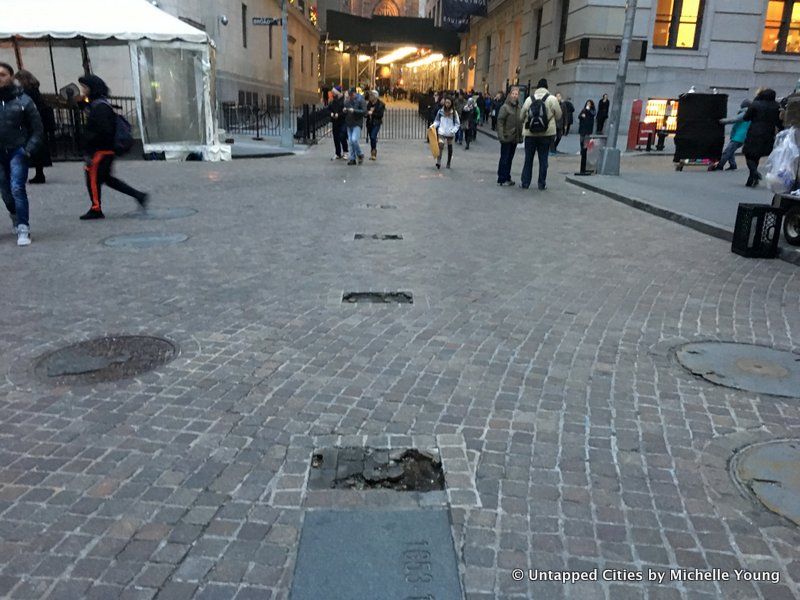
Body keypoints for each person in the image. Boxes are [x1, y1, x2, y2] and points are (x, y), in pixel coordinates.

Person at [78, 74, 148, 220]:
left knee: (93, 178)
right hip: (104, 149)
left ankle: (96, 208)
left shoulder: (100, 107)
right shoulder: (100, 105)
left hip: (100, 150)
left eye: (85, 88)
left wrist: (90, 143)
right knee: (106, 179)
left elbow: (103, 130)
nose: (83, 91)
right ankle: (138, 195)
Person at [0, 62, 43, 246]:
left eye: (2, 74)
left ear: (11, 76)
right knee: (5, 192)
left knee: (17, 187)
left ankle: (23, 227)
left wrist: (28, 149)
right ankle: (15, 217)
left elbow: (37, 128)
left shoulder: (24, 100)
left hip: (18, 149)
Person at [14, 70, 55, 184]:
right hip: (38, 122)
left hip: (32, 123)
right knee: (36, 149)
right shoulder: (33, 89)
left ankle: (32, 174)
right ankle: (38, 173)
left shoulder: (28, 92)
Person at [520, 78, 562, 190]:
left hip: (530, 134)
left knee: (528, 159)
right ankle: (541, 184)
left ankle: (525, 183)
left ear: (537, 88)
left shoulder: (529, 99)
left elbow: (521, 115)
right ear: (546, 87)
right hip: (546, 134)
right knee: (543, 160)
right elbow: (558, 115)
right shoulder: (552, 99)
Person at [742, 88, 781, 187]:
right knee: (757, 155)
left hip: (755, 131)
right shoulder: (776, 106)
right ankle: (751, 179)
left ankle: (754, 172)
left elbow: (746, 117)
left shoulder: (756, 104)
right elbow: (779, 120)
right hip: (769, 132)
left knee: (748, 153)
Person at [711, 99, 751, 171]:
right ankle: (733, 165)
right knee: (731, 151)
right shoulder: (749, 113)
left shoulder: (745, 113)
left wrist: (722, 121)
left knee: (727, 151)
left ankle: (720, 166)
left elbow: (734, 119)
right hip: (740, 136)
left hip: (739, 136)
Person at [496, 86, 522, 186]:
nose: (515, 96)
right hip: (507, 136)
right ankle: (501, 178)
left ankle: (507, 176)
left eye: (516, 94)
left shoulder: (518, 107)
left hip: (514, 137)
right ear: (510, 94)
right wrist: (501, 136)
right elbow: (500, 122)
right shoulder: (505, 107)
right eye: (513, 94)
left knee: (510, 158)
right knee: (504, 158)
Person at [432, 96, 460, 169]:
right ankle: (438, 161)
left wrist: (453, 130)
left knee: (450, 148)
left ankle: (448, 162)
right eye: (446, 102)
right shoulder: (440, 111)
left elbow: (457, 124)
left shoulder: (454, 112)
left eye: (449, 102)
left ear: (451, 104)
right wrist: (433, 126)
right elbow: (437, 120)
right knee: (440, 145)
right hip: (441, 132)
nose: (447, 104)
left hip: (450, 133)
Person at [343, 87, 367, 165]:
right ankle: (353, 158)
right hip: (349, 123)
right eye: (349, 95)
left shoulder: (360, 100)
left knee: (354, 140)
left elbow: (364, 111)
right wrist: (344, 111)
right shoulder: (347, 100)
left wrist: (354, 111)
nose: (350, 97)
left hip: (357, 123)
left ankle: (359, 154)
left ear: (354, 93)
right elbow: (345, 110)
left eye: (351, 95)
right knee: (350, 141)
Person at [328, 86, 348, 160]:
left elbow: (345, 111)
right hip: (335, 121)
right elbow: (329, 109)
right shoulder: (333, 100)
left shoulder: (344, 100)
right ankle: (338, 153)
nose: (332, 93)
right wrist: (331, 114)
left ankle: (345, 152)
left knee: (342, 136)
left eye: (334, 92)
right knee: (336, 137)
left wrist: (338, 114)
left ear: (337, 92)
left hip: (343, 121)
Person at [365, 90, 385, 160]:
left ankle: (374, 152)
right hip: (369, 123)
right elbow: (366, 112)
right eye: (370, 95)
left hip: (376, 123)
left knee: (373, 137)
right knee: (372, 138)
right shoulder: (369, 104)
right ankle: (373, 150)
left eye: (371, 95)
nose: (370, 97)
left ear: (375, 97)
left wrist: (372, 113)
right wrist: (366, 113)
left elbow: (380, 115)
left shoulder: (381, 104)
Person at [577, 100, 596, 174]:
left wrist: (588, 111)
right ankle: (582, 150)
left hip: (588, 128)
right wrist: (582, 116)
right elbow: (579, 116)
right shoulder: (583, 110)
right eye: (587, 103)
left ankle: (585, 151)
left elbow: (593, 115)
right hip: (582, 128)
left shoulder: (592, 110)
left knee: (586, 141)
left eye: (589, 103)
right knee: (581, 140)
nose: (588, 105)